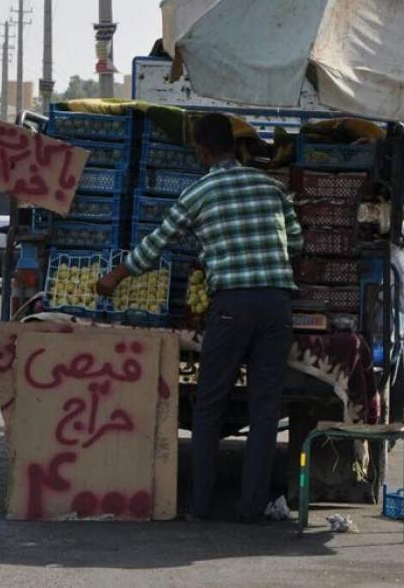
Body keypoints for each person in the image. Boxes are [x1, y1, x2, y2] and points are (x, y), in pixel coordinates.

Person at [96, 113, 304, 522]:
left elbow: (156, 244)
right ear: (235, 146)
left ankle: (202, 506)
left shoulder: (199, 193)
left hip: (231, 307)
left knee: (209, 405)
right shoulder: (271, 186)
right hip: (277, 304)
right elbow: (295, 241)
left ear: (203, 150)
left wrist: (115, 276)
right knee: (265, 410)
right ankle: (250, 508)